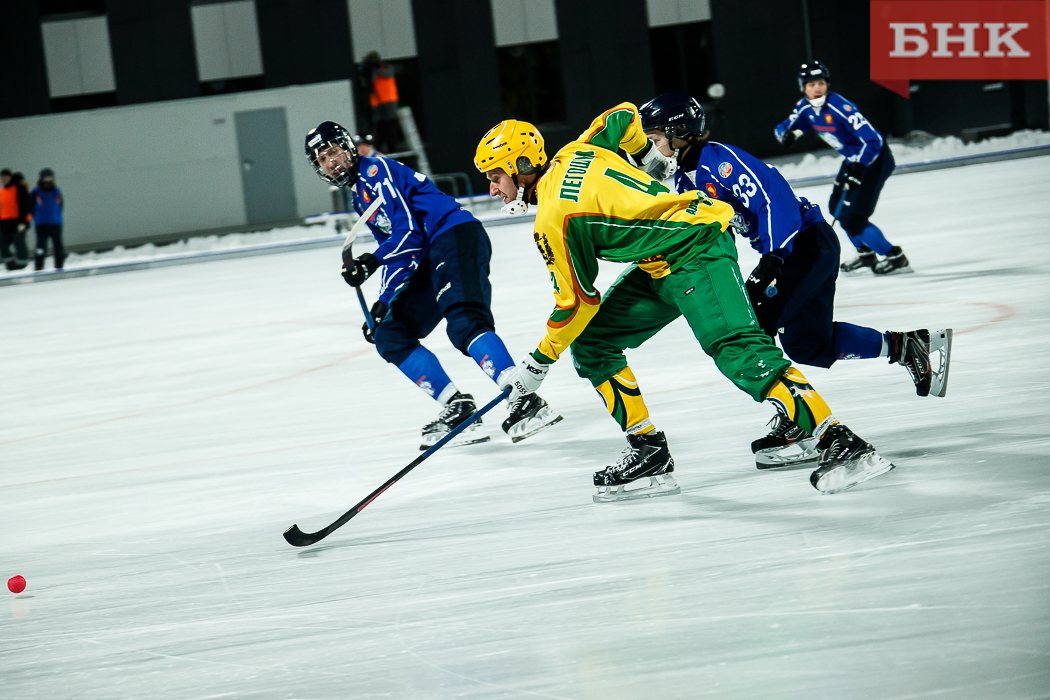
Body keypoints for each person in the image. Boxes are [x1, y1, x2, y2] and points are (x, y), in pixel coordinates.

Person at [475, 106, 895, 501]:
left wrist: (535, 366)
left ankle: (840, 440)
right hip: (662, 261)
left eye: (496, 176)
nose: (492, 189)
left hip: (697, 253)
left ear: (523, 166)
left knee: (738, 350)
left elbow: (576, 304)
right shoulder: (577, 150)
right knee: (593, 344)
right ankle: (649, 452)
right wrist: (645, 154)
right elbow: (621, 115)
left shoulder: (553, 218)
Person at [640, 92, 952, 468]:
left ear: (680, 132)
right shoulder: (686, 179)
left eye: (655, 139)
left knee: (755, 325)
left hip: (804, 246)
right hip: (798, 250)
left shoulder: (720, 162)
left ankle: (800, 425)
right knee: (809, 346)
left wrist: (773, 256)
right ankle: (905, 347)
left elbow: (775, 197)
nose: (651, 149)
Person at [305, 121, 561, 449]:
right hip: (428, 254)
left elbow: (409, 233)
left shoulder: (376, 170)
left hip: (452, 235)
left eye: (335, 151)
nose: (332, 160)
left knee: (464, 322)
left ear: (349, 147)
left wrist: (370, 262)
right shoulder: (360, 196)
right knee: (390, 334)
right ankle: (459, 407)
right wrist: (383, 302)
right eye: (324, 158)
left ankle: (524, 398)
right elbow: (403, 252)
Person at [774, 60, 911, 275]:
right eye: (810, 84)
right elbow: (786, 126)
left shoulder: (841, 107)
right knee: (836, 206)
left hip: (873, 161)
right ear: (803, 88)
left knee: (853, 218)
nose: (816, 88)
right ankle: (865, 254)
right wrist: (788, 134)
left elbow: (874, 140)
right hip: (853, 160)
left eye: (820, 82)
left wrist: (859, 167)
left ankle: (894, 257)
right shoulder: (805, 107)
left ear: (827, 84)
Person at [358, 52, 405, 154]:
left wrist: (375, 69)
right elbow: (366, 83)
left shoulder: (385, 67)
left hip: (389, 101)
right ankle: (377, 149)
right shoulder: (370, 71)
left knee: (391, 126)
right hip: (377, 103)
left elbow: (388, 73)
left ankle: (393, 148)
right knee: (379, 127)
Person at [32, 168, 65, 271]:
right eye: (46, 178)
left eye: (50, 177)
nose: (48, 180)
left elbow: (60, 205)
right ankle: (39, 265)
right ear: (42, 178)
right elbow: (30, 206)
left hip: (55, 223)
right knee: (41, 247)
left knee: (58, 245)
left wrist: (56, 216)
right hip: (41, 224)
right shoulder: (36, 192)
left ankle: (59, 265)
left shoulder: (57, 191)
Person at [0, 169, 32, 270]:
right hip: (5, 222)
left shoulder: (18, 189)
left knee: (19, 243)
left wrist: (23, 222)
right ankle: (10, 263)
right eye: (2, 177)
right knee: (2, 243)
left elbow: (24, 206)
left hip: (17, 221)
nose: (3, 179)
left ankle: (22, 263)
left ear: (10, 177)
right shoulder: (2, 191)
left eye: (5, 177)